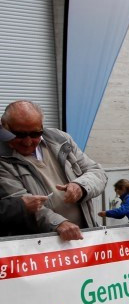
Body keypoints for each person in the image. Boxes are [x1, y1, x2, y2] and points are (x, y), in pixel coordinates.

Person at [0, 100, 106, 241]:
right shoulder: (3, 156)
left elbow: (97, 172)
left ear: (42, 127)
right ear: (5, 127)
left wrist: (81, 187)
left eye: (35, 134)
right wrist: (58, 223)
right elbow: (20, 203)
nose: (28, 141)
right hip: (42, 247)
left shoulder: (60, 139)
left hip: (85, 239)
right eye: (20, 135)